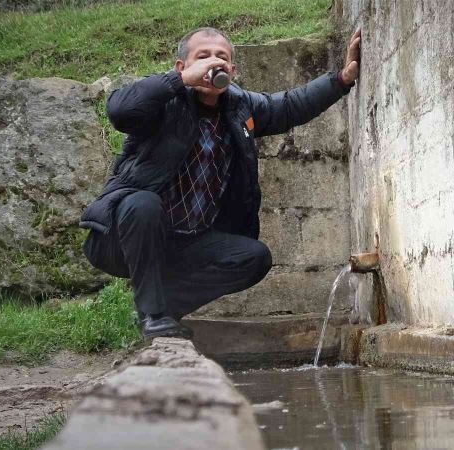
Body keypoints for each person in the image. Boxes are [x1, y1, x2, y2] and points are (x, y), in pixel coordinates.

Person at [79, 26, 362, 339]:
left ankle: (161, 307)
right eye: (203, 57)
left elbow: (289, 106)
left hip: (186, 245)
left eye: (221, 57)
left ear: (232, 70)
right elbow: (120, 110)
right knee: (143, 202)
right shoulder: (161, 102)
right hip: (123, 238)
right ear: (181, 67)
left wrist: (341, 81)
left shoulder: (241, 107)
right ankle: (154, 315)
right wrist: (180, 82)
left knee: (254, 257)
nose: (213, 62)